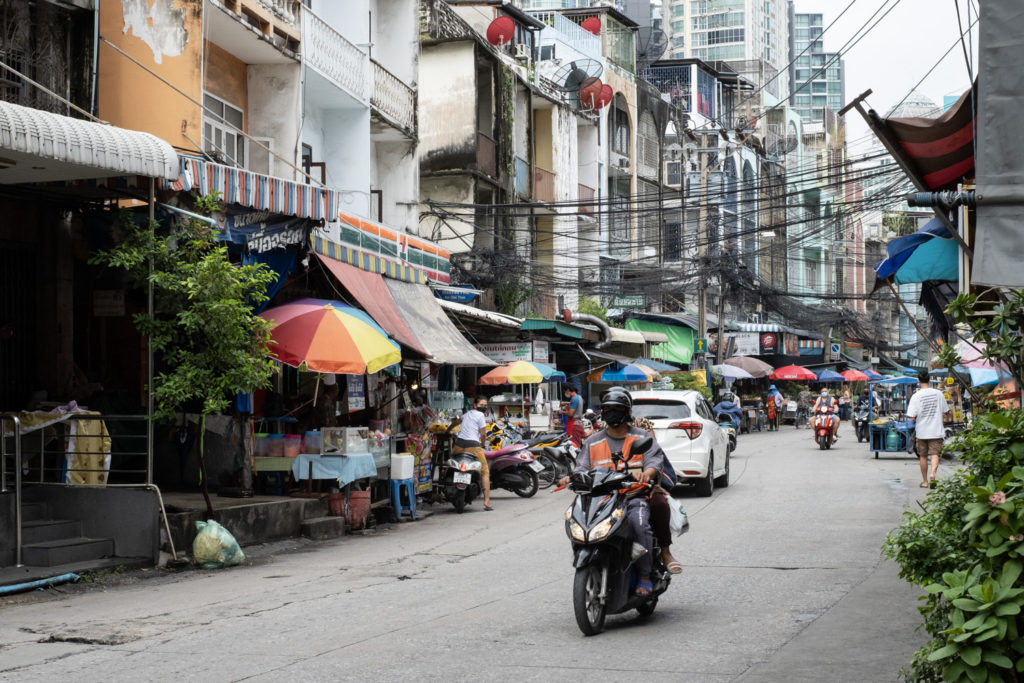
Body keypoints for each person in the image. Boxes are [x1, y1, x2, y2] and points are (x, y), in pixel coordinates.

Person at [558, 387, 680, 595]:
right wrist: (572, 476)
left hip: (632, 496)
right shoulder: (593, 441)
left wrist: (646, 474)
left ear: (627, 412)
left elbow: (653, 461)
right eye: (608, 409)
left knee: (639, 524)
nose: (612, 413)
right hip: (599, 498)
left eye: (617, 409)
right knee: (573, 518)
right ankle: (583, 555)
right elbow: (581, 467)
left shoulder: (641, 437)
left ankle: (644, 576)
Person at [446, 396, 493, 510]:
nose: (484, 407)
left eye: (485, 405)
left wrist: (447, 431)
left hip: (459, 445)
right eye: (482, 405)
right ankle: (486, 501)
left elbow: (455, 422)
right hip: (473, 447)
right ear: (475, 405)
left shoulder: (466, 414)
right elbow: (482, 434)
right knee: (485, 471)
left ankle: (447, 483)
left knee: (451, 463)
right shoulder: (481, 415)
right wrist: (482, 444)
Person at [907, 370, 950, 489]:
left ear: (918, 381)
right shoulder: (938, 393)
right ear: (929, 380)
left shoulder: (916, 396)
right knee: (935, 454)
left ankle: (925, 481)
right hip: (936, 430)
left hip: (922, 432)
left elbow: (911, 415)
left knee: (923, 456)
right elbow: (945, 411)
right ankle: (933, 475)